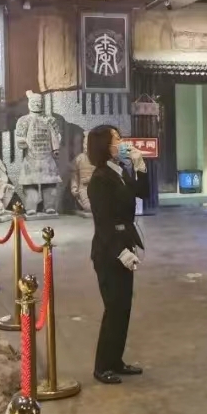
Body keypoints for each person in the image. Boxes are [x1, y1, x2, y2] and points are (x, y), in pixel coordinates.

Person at [86, 125, 150, 385]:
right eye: (117, 139)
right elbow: (103, 223)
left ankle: (116, 361)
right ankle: (102, 366)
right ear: (105, 145)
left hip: (125, 243)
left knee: (124, 307)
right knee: (113, 308)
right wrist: (119, 251)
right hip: (108, 250)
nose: (122, 142)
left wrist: (140, 166)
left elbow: (142, 192)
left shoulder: (120, 170)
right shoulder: (99, 179)